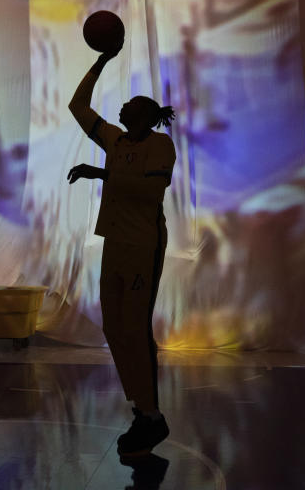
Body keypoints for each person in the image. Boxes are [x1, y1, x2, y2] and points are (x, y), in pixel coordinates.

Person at [68, 45, 177, 458]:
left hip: (143, 245)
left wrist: (104, 172)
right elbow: (78, 105)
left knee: (136, 328)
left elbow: (152, 189)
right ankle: (141, 409)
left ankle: (153, 415)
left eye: (133, 102)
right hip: (115, 243)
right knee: (114, 328)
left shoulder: (160, 144)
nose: (125, 103)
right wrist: (100, 61)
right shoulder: (114, 139)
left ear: (146, 115)